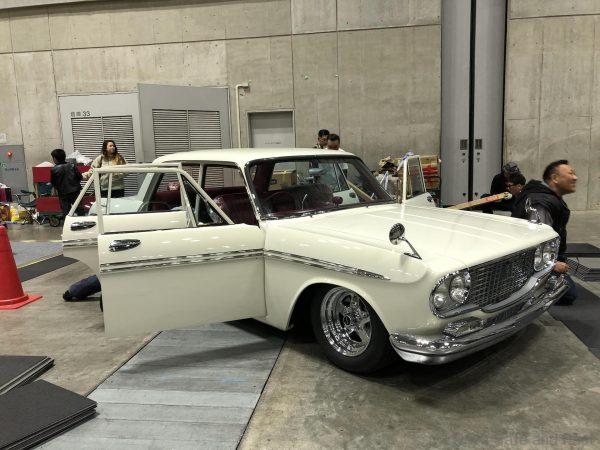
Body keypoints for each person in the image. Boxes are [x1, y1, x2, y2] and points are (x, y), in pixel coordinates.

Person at [512, 160, 578, 304]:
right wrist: (553, 265)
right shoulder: (541, 204)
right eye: (570, 173)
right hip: (528, 264)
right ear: (555, 178)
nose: (575, 177)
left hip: (540, 259)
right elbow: (534, 243)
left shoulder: (547, 197)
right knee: (568, 294)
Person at [50, 148, 82, 218]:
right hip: (75, 191)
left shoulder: (54, 169)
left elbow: (53, 183)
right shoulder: (72, 165)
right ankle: (82, 221)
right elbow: (80, 177)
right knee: (79, 209)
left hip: (63, 194)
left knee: (66, 212)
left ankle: (68, 223)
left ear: (55, 158)